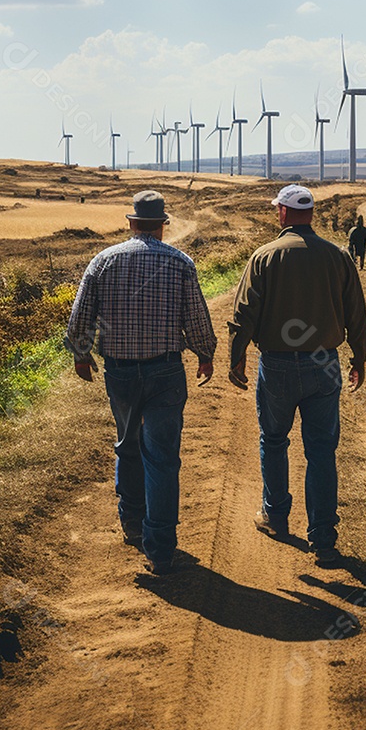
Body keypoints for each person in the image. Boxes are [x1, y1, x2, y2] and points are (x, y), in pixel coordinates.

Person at [65, 190, 215, 575]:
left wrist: (82, 355)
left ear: (131, 222)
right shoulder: (180, 262)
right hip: (165, 370)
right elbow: (195, 317)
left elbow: (81, 316)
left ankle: (131, 521)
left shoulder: (103, 262)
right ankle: (161, 548)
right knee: (162, 458)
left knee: (128, 443)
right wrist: (205, 353)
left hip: (120, 371)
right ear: (162, 225)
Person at [228, 184, 366, 567]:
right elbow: (357, 313)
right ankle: (323, 537)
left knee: (273, 440)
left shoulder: (264, 257)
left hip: (276, 364)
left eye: (278, 209)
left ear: (284, 213)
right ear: (310, 213)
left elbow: (244, 314)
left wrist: (236, 356)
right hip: (324, 364)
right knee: (321, 450)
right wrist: (359, 358)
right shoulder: (338, 257)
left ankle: (275, 517)